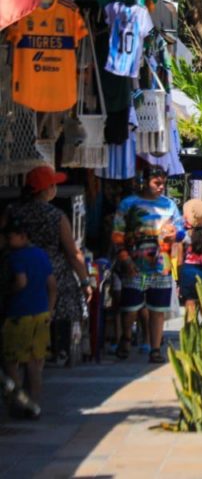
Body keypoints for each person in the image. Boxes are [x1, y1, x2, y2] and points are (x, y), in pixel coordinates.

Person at [2, 166, 91, 365]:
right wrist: (85, 281)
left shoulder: (12, 210)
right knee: (56, 310)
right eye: (53, 185)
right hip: (51, 272)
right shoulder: (56, 215)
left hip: (17, 270)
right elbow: (72, 252)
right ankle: (54, 351)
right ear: (46, 189)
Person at [111, 163, 183, 363]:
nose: (161, 186)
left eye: (163, 183)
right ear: (145, 181)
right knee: (130, 306)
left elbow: (181, 230)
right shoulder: (128, 204)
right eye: (156, 182)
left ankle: (155, 348)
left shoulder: (170, 205)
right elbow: (117, 235)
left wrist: (175, 234)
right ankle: (126, 338)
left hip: (162, 266)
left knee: (157, 310)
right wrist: (125, 259)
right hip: (134, 265)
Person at [2, 220, 55, 418]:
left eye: (10, 237)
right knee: (34, 363)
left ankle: (19, 402)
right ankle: (34, 405)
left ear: (23, 236)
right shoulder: (41, 254)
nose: (7, 241)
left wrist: (7, 293)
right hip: (41, 314)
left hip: (19, 315)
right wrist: (49, 310)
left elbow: (21, 282)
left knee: (11, 362)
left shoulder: (15, 257)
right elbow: (52, 285)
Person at [174, 199, 202, 320]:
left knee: (190, 303)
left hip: (188, 271)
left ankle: (191, 332)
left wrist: (178, 277)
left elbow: (180, 258)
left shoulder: (184, 235)